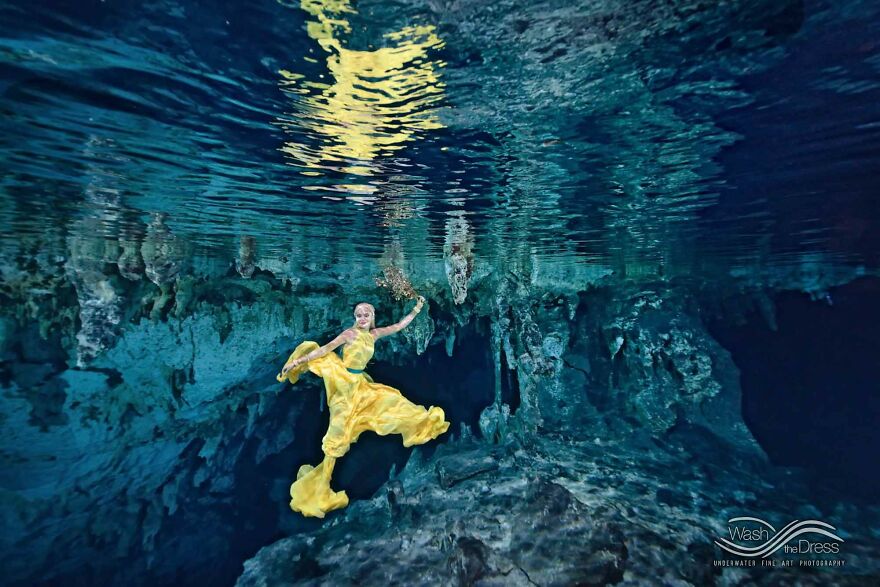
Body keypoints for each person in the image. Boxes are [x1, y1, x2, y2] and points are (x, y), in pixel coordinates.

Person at [277, 297, 450, 518]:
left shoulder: (374, 335)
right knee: (337, 436)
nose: (361, 318)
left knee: (394, 402)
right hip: (344, 384)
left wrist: (417, 309)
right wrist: (296, 362)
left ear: (372, 317)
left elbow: (399, 326)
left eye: (365, 315)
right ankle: (319, 490)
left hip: (361, 386)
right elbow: (324, 350)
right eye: (358, 315)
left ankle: (422, 422)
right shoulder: (348, 334)